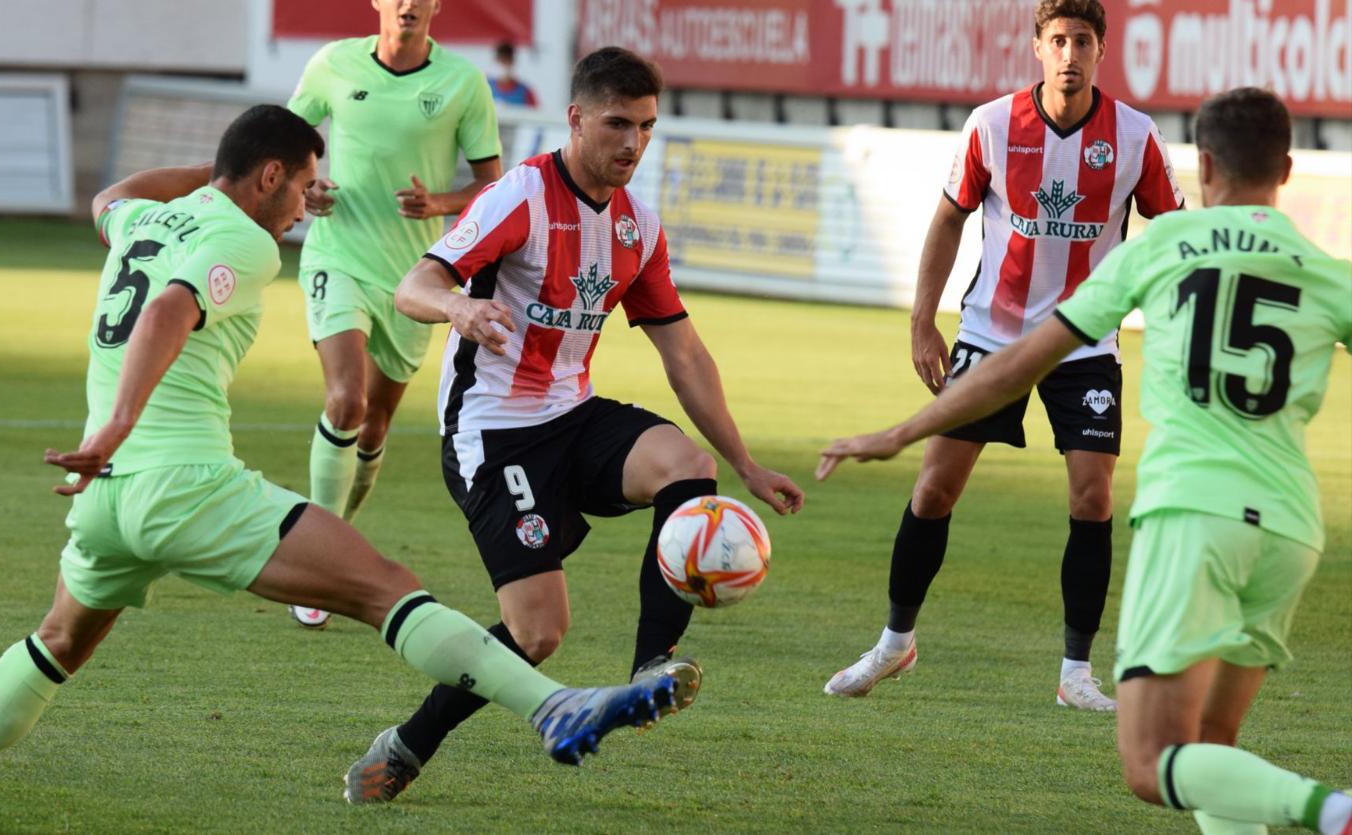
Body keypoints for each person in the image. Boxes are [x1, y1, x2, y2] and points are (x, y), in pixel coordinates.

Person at [0, 105, 678, 833]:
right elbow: (169, 309)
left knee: (56, 639)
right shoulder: (244, 242)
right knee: (387, 586)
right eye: (302, 184)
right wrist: (122, 422)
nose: (308, 204)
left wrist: (110, 439)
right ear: (268, 176)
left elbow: (110, 194)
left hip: (105, 498)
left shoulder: (142, 221)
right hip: (184, 485)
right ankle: (553, 709)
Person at [818, 87, 1351, 835]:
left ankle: (1331, 809)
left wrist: (902, 431)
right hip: (1292, 532)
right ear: (1288, 169)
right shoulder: (1328, 272)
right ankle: (898, 640)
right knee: (1212, 753)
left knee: (1150, 762)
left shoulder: (1158, 250)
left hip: (1194, 517)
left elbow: (1018, 362)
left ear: (1201, 164)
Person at [339, 46, 805, 805]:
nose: (633, 143)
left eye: (648, 127)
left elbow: (681, 349)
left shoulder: (636, 227)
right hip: (492, 432)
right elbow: (414, 284)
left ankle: (654, 664)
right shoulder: (518, 196)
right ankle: (410, 742)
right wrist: (459, 306)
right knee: (538, 633)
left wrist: (745, 462)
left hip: (572, 412)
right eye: (618, 123)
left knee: (687, 468)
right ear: (577, 118)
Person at [822, 0, 1184, 711]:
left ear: (1101, 49)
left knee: (1093, 496)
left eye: (1083, 41)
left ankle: (1076, 672)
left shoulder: (1136, 137)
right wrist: (924, 320)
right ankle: (895, 642)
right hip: (991, 334)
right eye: (1059, 41)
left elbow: (1172, 231)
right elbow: (949, 218)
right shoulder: (990, 124)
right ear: (1038, 47)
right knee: (934, 490)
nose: (1070, 53)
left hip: (1085, 343)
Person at [285, 0, 504, 632]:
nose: (407, 3)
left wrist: (441, 200)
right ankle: (317, 564)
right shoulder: (333, 64)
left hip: (417, 280)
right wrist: (310, 186)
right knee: (345, 401)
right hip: (338, 257)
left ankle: (335, 537)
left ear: (437, 6)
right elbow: (288, 140)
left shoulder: (462, 83)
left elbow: (494, 183)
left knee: (374, 427)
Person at [490, 41, 539, 108]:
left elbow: (536, 116)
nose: (504, 65)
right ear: (495, 61)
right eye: (501, 61)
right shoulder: (486, 89)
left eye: (507, 61)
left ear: (513, 62)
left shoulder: (525, 92)